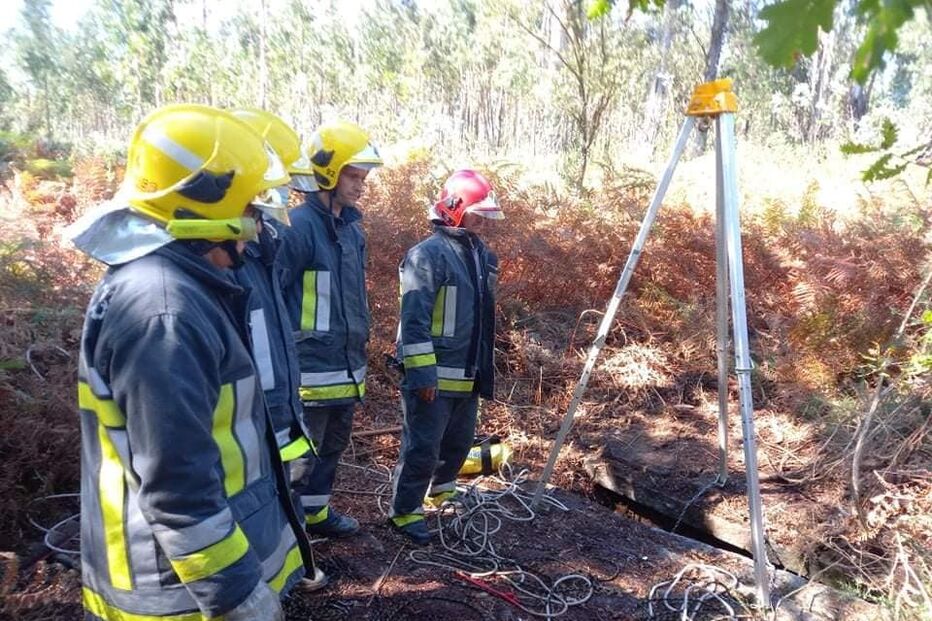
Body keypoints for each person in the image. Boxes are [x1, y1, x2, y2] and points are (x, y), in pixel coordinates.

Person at [71, 104, 309, 620]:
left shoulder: (187, 287)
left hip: (187, 579)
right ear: (205, 212)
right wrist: (236, 597)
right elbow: (177, 485)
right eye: (249, 210)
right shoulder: (164, 312)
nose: (253, 229)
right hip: (173, 591)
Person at [277, 119, 383, 538]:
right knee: (300, 456)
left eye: (364, 178)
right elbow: (276, 299)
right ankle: (290, 532)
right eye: (354, 176)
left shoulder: (352, 230)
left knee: (332, 449)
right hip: (309, 368)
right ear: (326, 172)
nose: (361, 186)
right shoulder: (297, 228)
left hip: (346, 366)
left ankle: (317, 516)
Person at [388, 169, 503, 545]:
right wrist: (422, 376)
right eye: (477, 213)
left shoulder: (483, 256)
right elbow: (414, 320)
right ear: (455, 208)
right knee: (422, 446)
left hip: (468, 373)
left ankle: (443, 492)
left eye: (487, 215)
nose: (483, 222)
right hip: (434, 375)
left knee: (457, 442)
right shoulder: (427, 255)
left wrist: (484, 371)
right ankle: (405, 511)